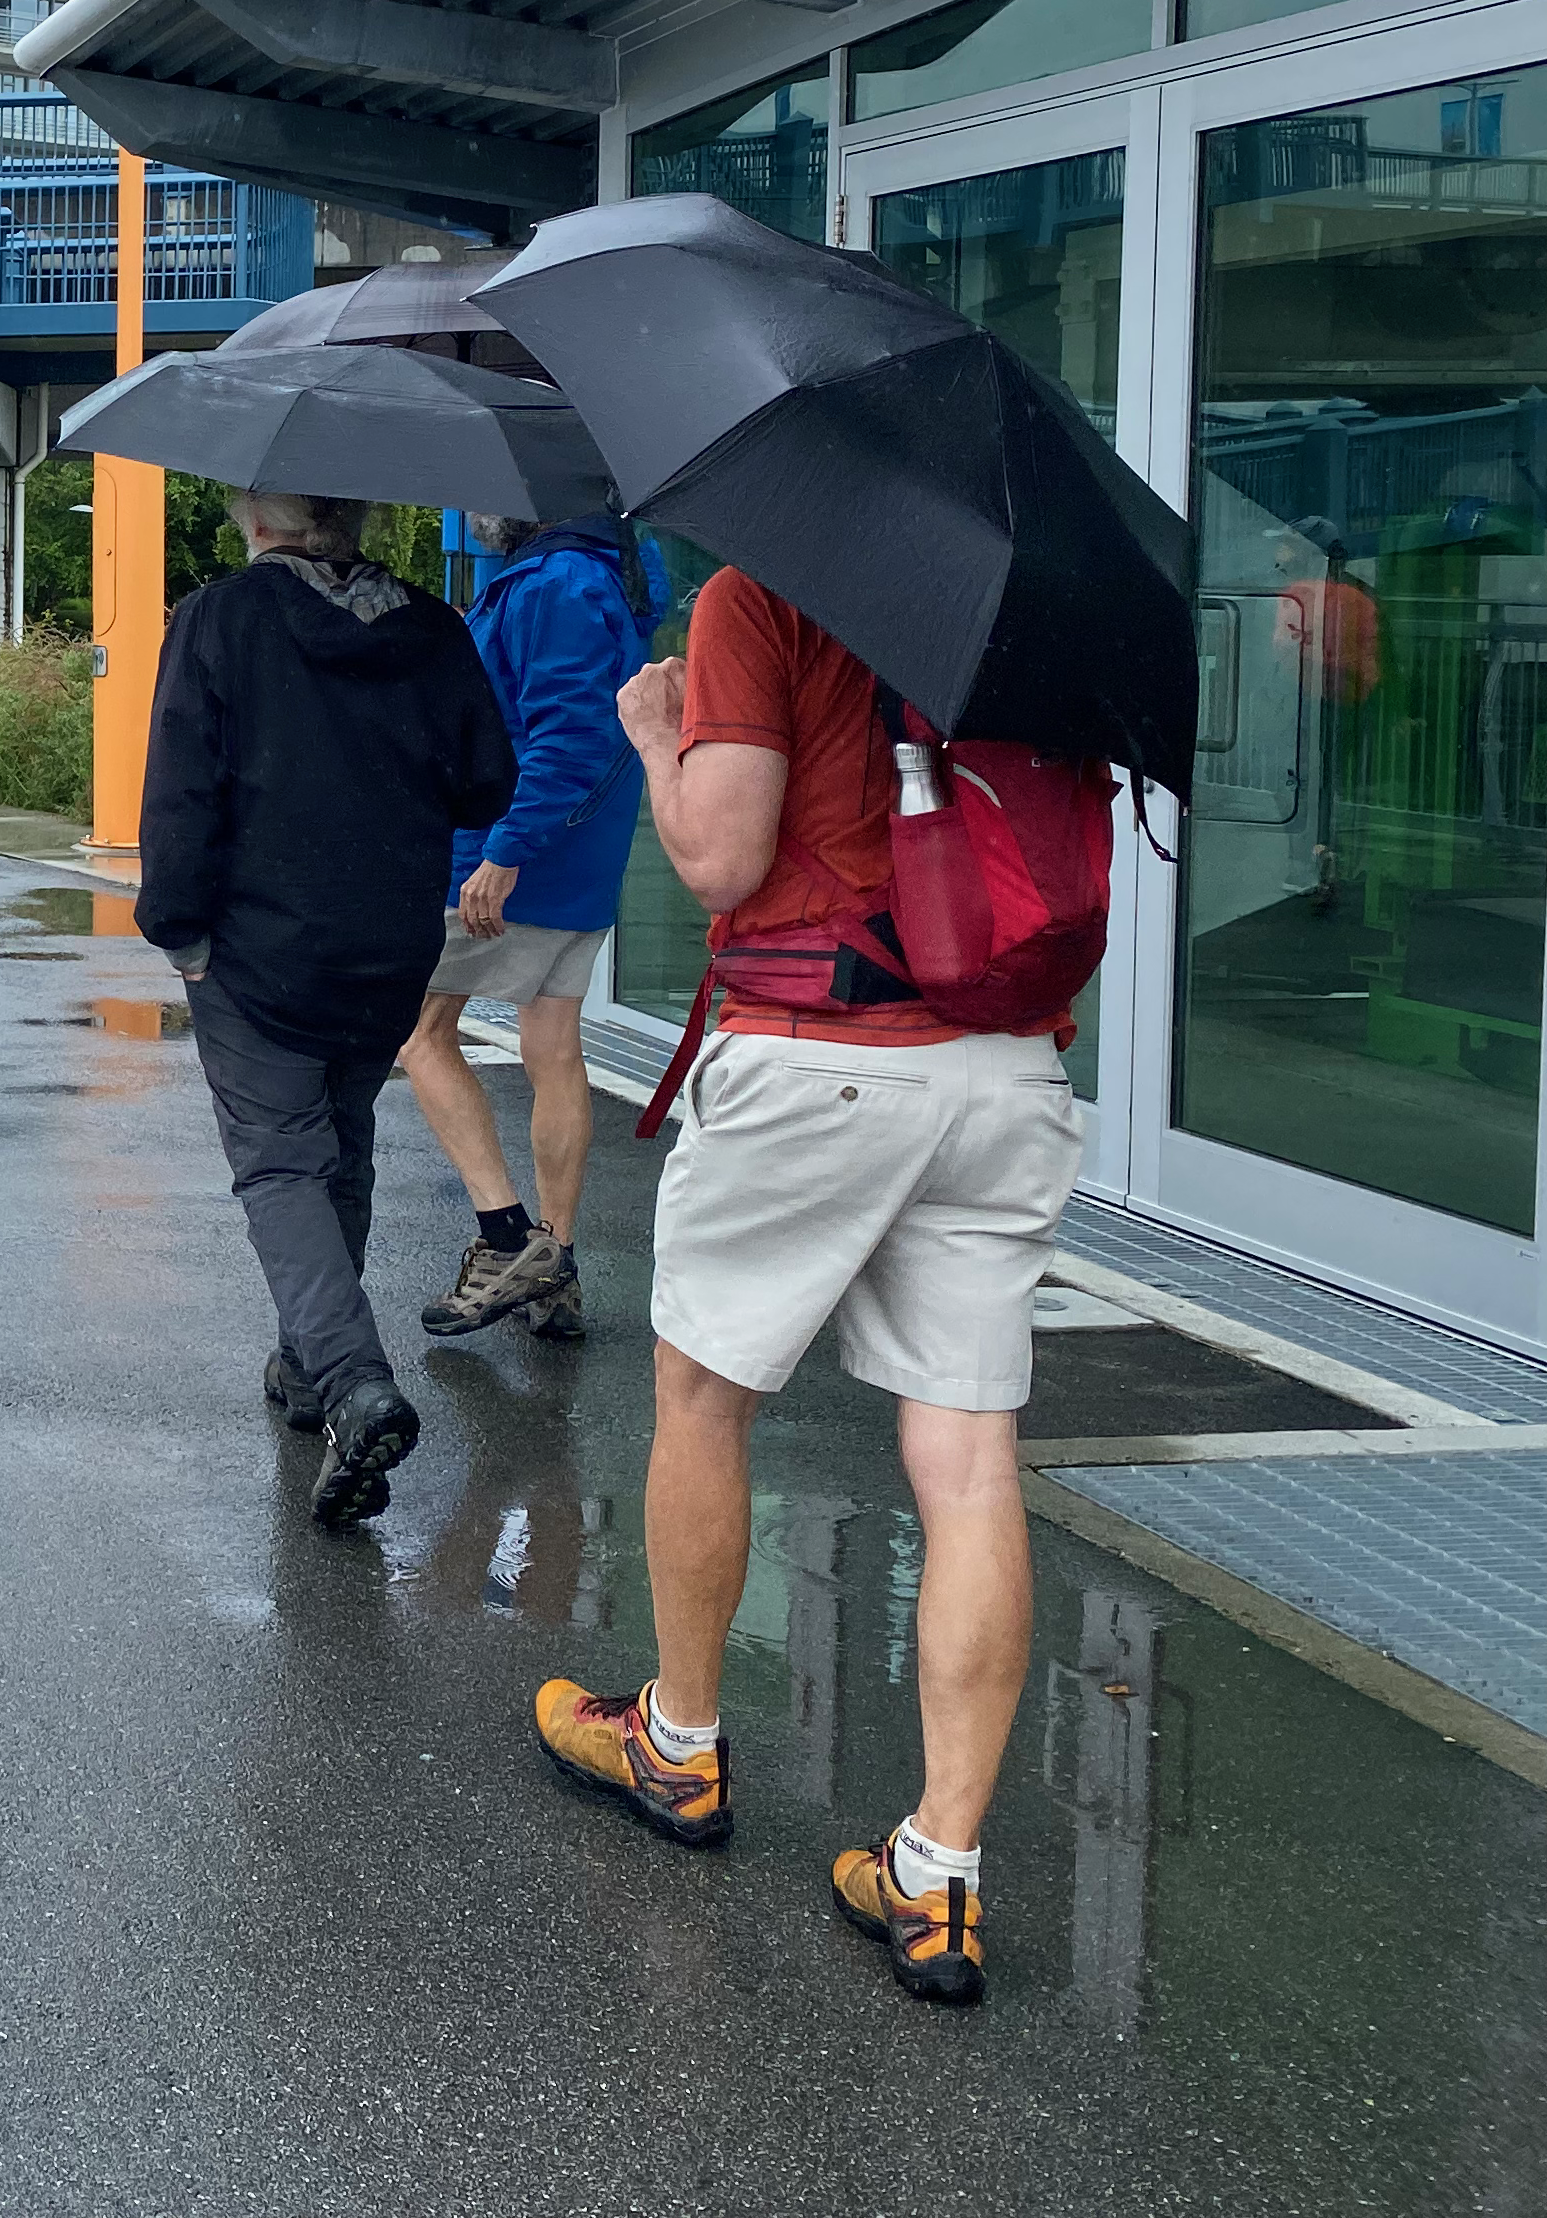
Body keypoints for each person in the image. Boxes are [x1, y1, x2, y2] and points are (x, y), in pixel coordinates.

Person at [534, 567, 1086, 2009]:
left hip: (818, 1045)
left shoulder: (764, 593)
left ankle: (681, 1736)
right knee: (966, 1456)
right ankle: (939, 1874)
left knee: (704, 1395)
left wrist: (659, 736)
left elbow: (722, 857)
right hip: (1006, 1060)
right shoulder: (1026, 601)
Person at [138, 489, 515, 1527]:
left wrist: (177, 930)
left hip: (259, 951)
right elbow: (487, 784)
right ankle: (308, 1373)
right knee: (341, 1143)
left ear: (257, 513)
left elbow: (180, 789)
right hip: (388, 944)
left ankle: (351, 1381)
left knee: (279, 1162)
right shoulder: (433, 631)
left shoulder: (221, 619)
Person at [400, 512, 661, 1344]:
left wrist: (506, 851)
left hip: (512, 856)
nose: (470, 510)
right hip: (575, 857)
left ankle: (510, 1240)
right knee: (552, 1049)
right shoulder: (602, 572)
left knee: (421, 1035)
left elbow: (570, 733)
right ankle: (558, 1263)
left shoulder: (558, 584)